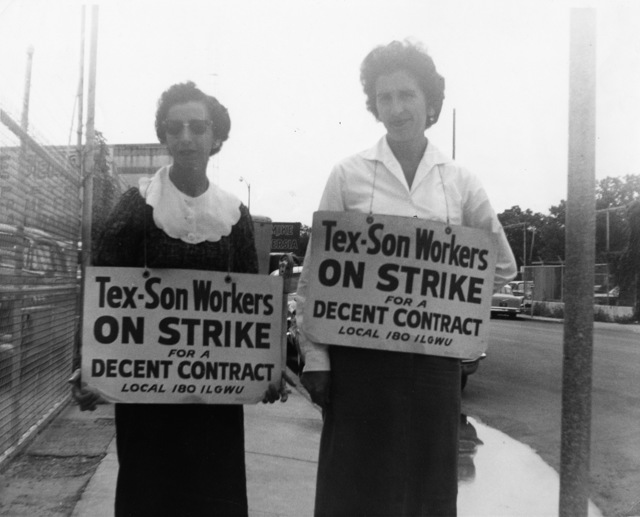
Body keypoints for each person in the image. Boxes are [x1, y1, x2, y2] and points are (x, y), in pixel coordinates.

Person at [295, 40, 517, 516]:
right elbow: (313, 280)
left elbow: (499, 266)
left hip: (432, 368)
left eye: (407, 95)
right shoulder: (348, 174)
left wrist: (452, 317)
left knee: (425, 496)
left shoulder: (460, 181)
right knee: (354, 493)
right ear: (373, 105)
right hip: (359, 364)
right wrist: (316, 358)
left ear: (429, 101)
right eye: (384, 98)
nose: (396, 108)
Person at [73, 81, 281, 517]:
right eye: (175, 127)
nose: (186, 137)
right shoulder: (136, 207)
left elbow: (251, 306)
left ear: (216, 137)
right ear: (165, 136)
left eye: (198, 127)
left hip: (214, 406)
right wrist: (87, 366)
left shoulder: (235, 216)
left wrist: (267, 367)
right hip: (147, 403)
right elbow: (102, 293)